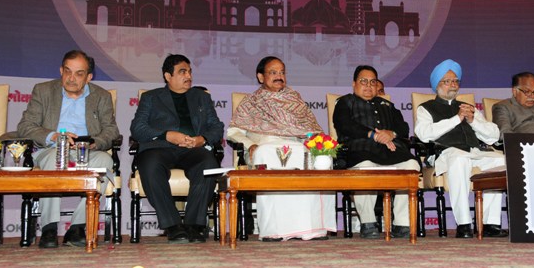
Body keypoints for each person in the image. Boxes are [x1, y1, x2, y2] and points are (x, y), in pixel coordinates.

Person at [17, 50, 120, 248]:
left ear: (88, 77)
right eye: (67, 71)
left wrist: (95, 142)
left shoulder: (101, 96)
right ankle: (49, 228)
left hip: (85, 151)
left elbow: (111, 130)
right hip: (51, 148)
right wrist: (53, 136)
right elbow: (25, 126)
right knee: (53, 160)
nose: (71, 78)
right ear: (61, 71)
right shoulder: (43, 91)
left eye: (79, 74)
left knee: (105, 161)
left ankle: (77, 227)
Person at [227, 56, 335, 241]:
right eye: (273, 72)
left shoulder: (295, 100)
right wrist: (250, 145)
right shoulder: (251, 102)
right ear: (261, 77)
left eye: (282, 72)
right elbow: (233, 132)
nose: (279, 76)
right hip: (265, 145)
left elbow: (312, 130)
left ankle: (313, 228)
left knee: (321, 157)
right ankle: (274, 230)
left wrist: (316, 143)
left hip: (297, 144)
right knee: (266, 154)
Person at [130, 54, 224, 244]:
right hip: (160, 148)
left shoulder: (201, 97)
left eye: (189, 71)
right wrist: (167, 135)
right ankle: (172, 225)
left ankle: (193, 225)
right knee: (150, 165)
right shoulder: (151, 97)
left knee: (208, 164)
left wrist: (202, 139)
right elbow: (137, 129)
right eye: (182, 72)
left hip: (192, 149)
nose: (188, 76)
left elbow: (217, 127)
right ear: (168, 76)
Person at [414, 59, 507, 239]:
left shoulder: (468, 108)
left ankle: (489, 223)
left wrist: (472, 121)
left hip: (473, 152)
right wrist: (456, 119)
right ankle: (464, 224)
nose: (453, 85)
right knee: (459, 159)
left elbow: (493, 136)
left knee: (500, 161)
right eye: (447, 81)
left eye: (456, 81)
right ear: (437, 85)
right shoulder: (426, 108)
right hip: (444, 153)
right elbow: (424, 134)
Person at [333, 65, 419, 239]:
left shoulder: (387, 105)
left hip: (391, 151)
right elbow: (344, 125)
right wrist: (373, 135)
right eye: (363, 81)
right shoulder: (345, 102)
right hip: (360, 150)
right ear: (354, 84)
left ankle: (402, 223)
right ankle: (368, 222)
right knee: (365, 167)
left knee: (412, 165)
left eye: (372, 82)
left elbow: (403, 128)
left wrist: (391, 134)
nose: (368, 86)